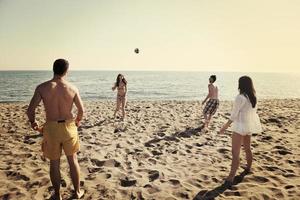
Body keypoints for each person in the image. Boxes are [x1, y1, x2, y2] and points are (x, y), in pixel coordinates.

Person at [26, 59, 85, 200]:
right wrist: (76, 122)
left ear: (53, 69)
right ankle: (77, 192)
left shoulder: (42, 87)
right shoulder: (72, 88)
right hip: (69, 126)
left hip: (51, 127)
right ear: (66, 71)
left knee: (54, 163)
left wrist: (33, 122)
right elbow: (81, 111)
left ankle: (57, 195)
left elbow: (30, 110)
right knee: (73, 160)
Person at [219, 76, 262, 186]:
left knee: (235, 153)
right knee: (247, 149)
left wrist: (224, 127)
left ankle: (231, 177)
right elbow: (252, 113)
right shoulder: (252, 97)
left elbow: (233, 115)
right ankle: (248, 168)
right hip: (248, 126)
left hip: (239, 127)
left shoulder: (240, 97)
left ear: (240, 84)